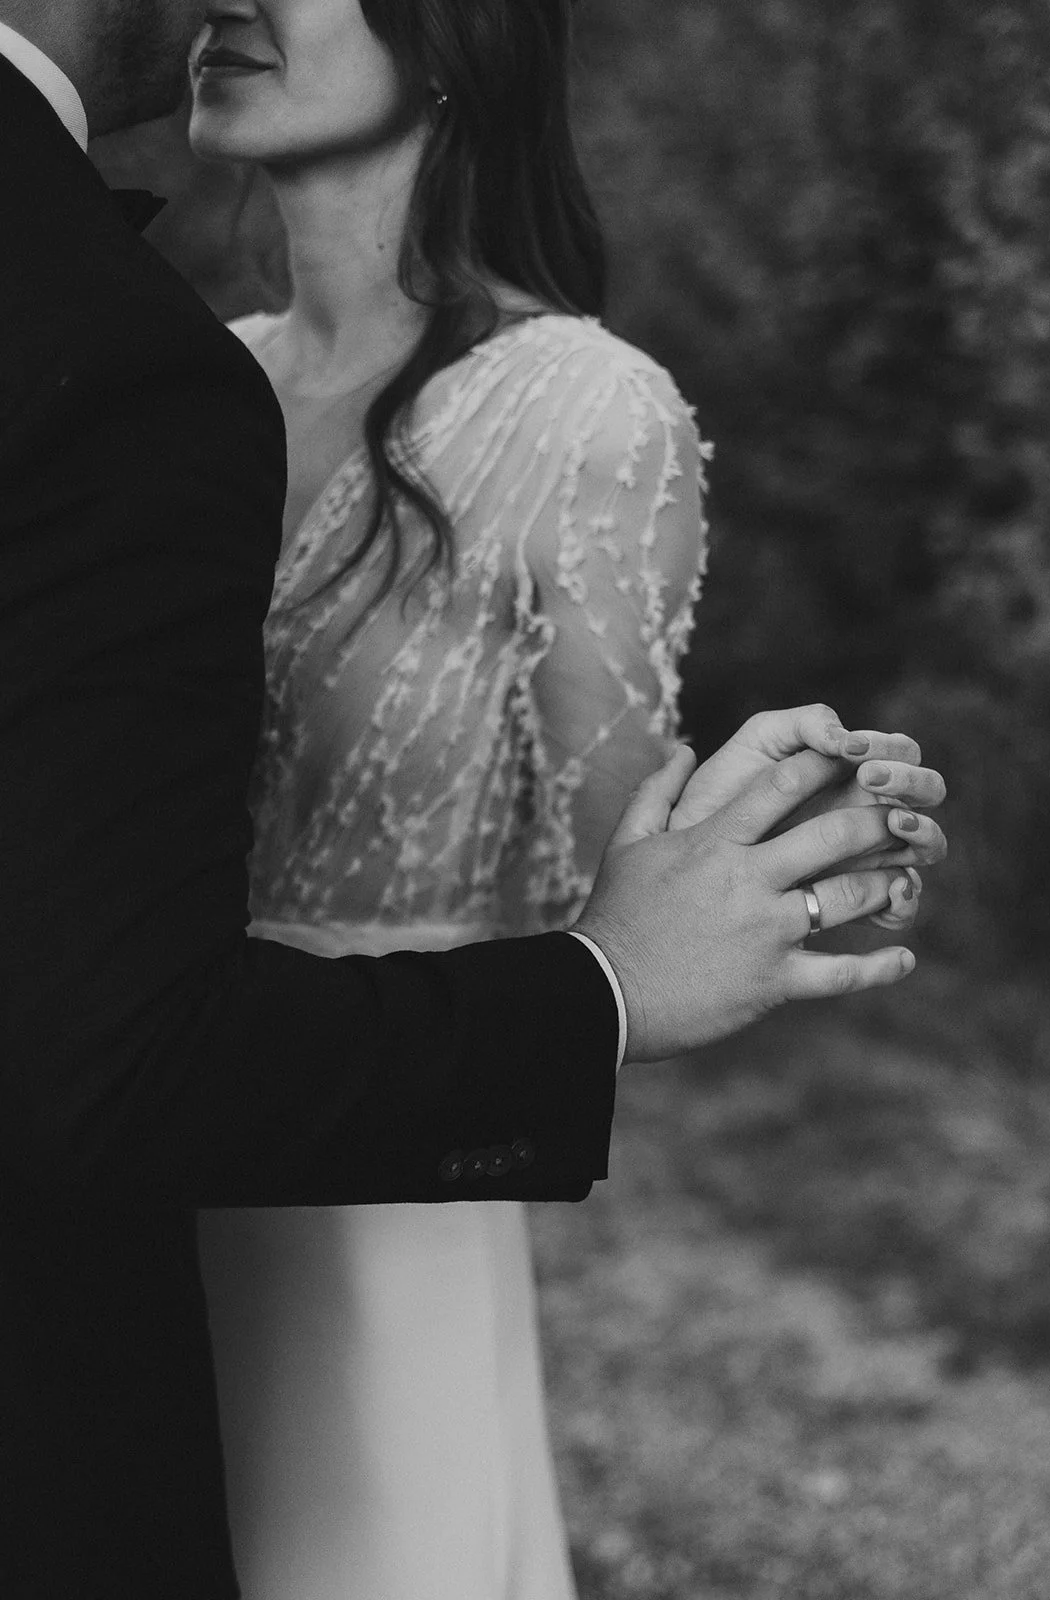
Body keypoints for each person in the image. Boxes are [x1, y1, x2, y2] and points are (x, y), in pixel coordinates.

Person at [0, 2, 947, 1596]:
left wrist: (788, 838)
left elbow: (615, 844)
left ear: (455, 36)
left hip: (373, 1178)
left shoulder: (578, 405)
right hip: (132, 1159)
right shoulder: (194, 361)